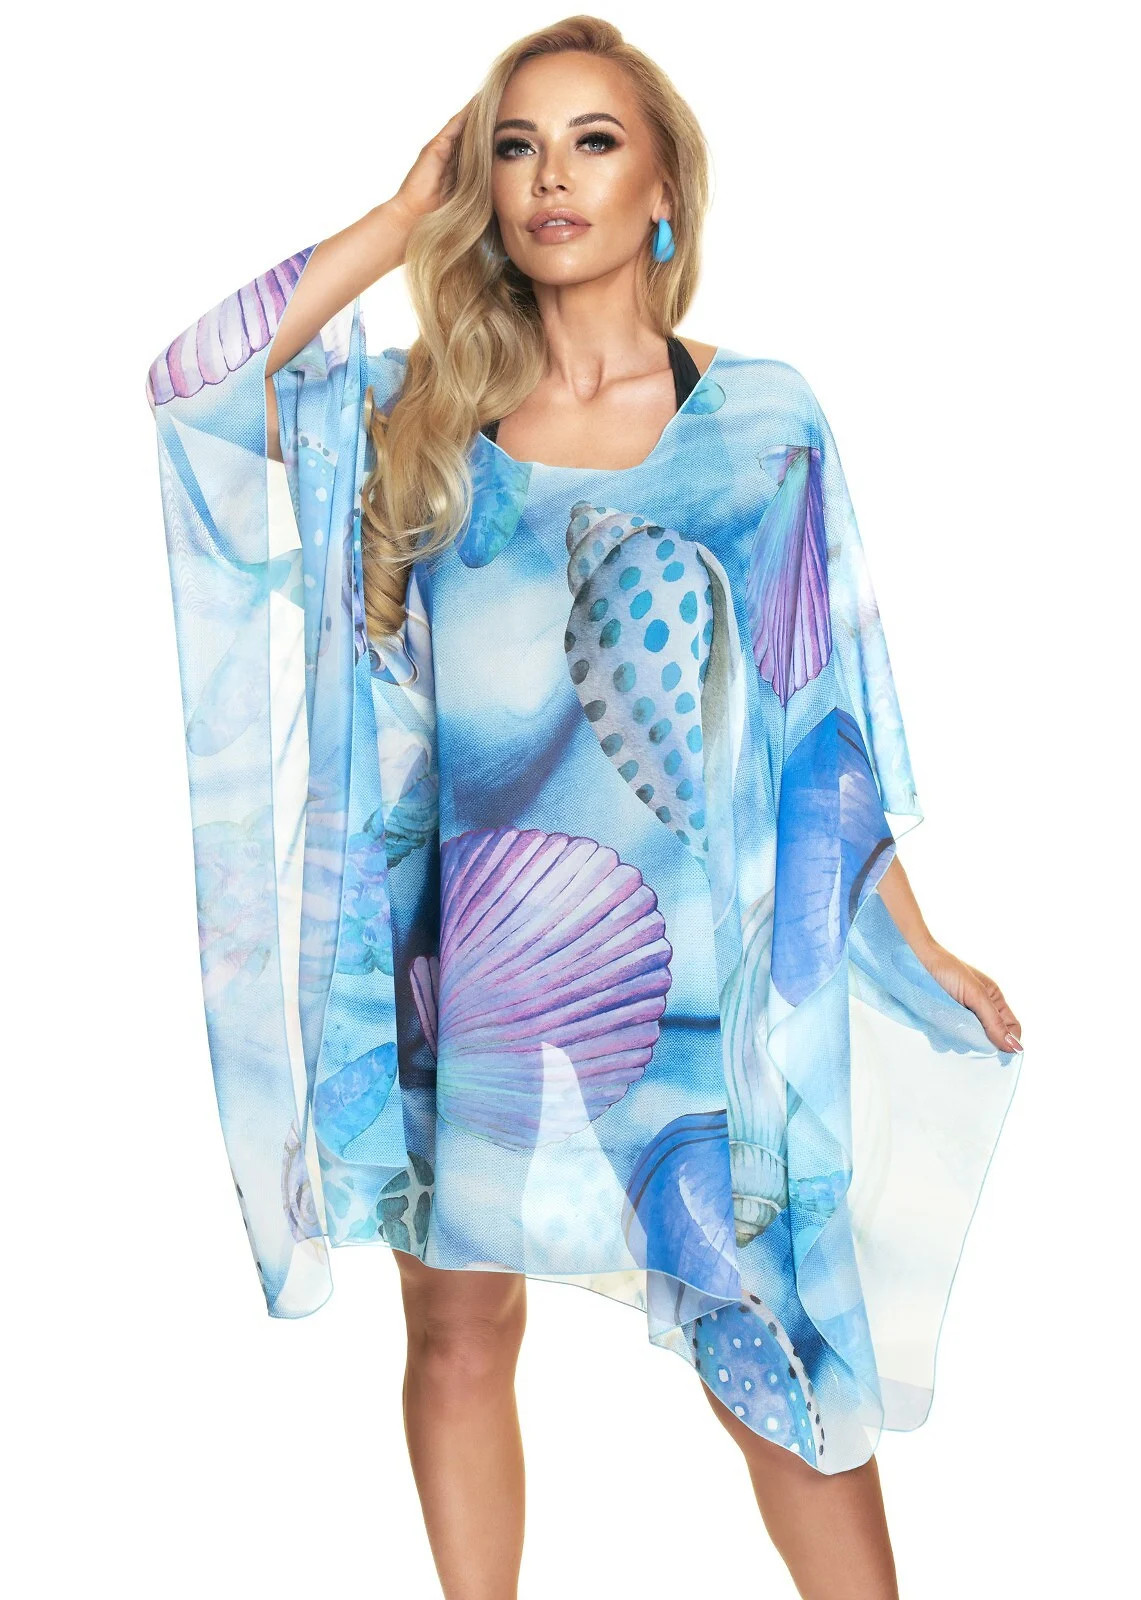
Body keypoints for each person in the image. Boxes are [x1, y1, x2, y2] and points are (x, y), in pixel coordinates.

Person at [145, 15, 1024, 1600]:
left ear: (663, 185)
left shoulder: (763, 424)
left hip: (698, 999)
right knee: (458, 1327)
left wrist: (917, 938)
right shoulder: (421, 422)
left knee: (773, 1354)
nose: (552, 177)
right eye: (517, 147)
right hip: (474, 973)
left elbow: (821, 715)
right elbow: (196, 382)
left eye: (593, 142)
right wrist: (399, 215)